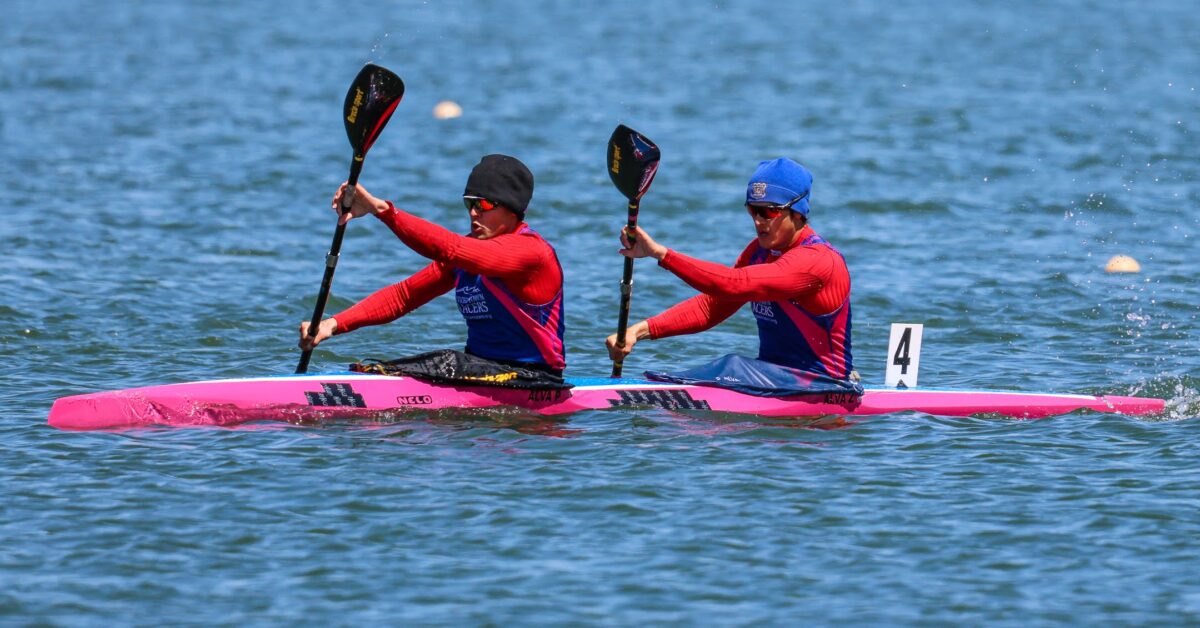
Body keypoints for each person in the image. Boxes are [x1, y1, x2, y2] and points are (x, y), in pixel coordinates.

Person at [300, 154, 566, 376]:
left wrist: (382, 211)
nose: (474, 213)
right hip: (482, 371)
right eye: (469, 204)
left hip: (534, 377)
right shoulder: (466, 256)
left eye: (484, 204)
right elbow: (403, 296)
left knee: (443, 361)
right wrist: (332, 324)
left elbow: (450, 248)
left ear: (512, 209)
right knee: (376, 369)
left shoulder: (531, 253)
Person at [605, 157, 856, 385]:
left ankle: (655, 390)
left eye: (769, 211)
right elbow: (711, 307)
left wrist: (661, 254)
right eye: (752, 210)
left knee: (733, 366)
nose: (758, 221)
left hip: (821, 387)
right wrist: (637, 331)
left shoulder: (817, 261)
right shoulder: (758, 252)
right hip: (773, 383)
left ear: (798, 213)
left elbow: (734, 284)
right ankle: (656, 387)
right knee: (731, 370)